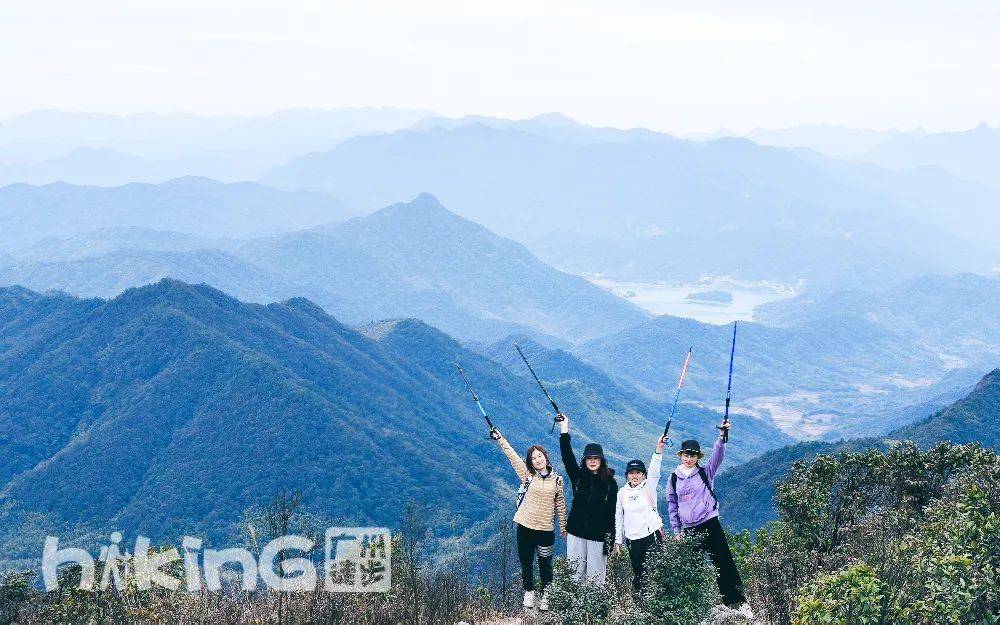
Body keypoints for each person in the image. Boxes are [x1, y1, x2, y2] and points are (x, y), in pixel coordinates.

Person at [666, 422, 751, 616]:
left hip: (710, 523)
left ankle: (737, 603)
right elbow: (672, 505)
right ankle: (695, 608)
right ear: (681, 456)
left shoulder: (705, 472)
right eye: (686, 455)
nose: (689, 458)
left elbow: (717, 457)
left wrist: (722, 437)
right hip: (689, 529)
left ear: (698, 457)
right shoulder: (673, 478)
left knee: (724, 563)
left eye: (693, 455)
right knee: (692, 569)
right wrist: (676, 531)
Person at [491, 427, 567, 611]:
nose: (537, 459)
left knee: (545, 564)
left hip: (545, 530)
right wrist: (500, 438)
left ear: (546, 457)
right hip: (525, 526)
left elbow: (560, 505)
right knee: (526, 562)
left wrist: (563, 526)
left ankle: (546, 594)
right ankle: (529, 592)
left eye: (539, 456)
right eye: (533, 458)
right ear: (531, 462)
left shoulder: (557, 480)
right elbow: (512, 456)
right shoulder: (528, 475)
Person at [558, 412, 618, 584]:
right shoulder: (577, 476)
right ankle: (573, 609)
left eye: (596, 458)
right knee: (574, 575)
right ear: (584, 460)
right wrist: (564, 429)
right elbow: (567, 456)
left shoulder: (610, 483)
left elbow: (611, 514)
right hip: (576, 532)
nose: (592, 461)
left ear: (601, 460)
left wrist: (610, 540)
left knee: (596, 579)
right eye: (589, 458)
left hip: (598, 537)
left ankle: (594, 610)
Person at [614, 434, 667, 593]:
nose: (635, 475)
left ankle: (661, 602)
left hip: (652, 535)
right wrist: (618, 542)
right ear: (627, 475)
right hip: (633, 539)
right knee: (639, 574)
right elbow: (619, 519)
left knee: (658, 571)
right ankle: (641, 606)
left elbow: (654, 471)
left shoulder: (648, 487)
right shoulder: (622, 493)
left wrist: (658, 449)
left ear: (643, 474)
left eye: (638, 472)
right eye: (631, 472)